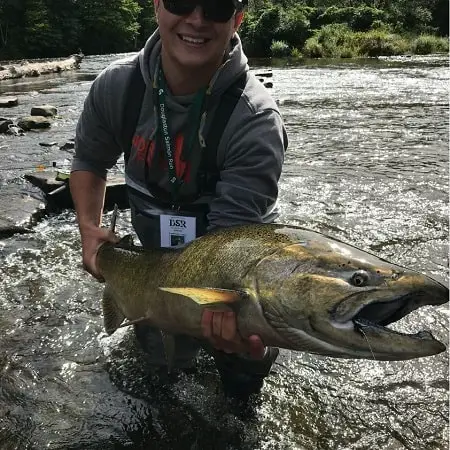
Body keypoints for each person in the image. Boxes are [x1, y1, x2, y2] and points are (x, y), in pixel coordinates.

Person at [70, 0, 288, 399]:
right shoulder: (118, 87)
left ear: (237, 19)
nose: (197, 19)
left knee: (243, 369)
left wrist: (226, 309)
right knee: (157, 378)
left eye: (218, 7)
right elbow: (90, 160)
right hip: (150, 267)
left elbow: (230, 249)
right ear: (157, 6)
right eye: (181, 1)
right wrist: (88, 229)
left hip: (232, 273)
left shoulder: (255, 120)